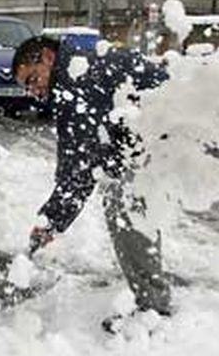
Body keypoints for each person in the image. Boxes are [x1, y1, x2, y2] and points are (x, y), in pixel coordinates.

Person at [12, 35, 172, 333]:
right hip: (149, 134)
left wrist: (52, 222)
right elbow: (89, 155)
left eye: (32, 78)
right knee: (124, 197)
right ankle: (151, 296)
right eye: (26, 86)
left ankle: (154, 310)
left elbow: (79, 167)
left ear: (47, 57)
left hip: (173, 131)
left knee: (125, 205)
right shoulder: (74, 66)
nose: (33, 90)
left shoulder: (76, 79)